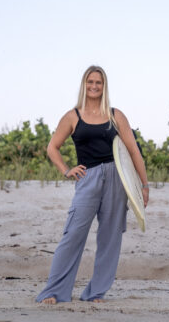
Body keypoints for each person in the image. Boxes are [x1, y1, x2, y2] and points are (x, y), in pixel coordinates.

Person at [36, 65, 149, 304]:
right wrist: (67, 170)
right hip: (88, 178)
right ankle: (54, 292)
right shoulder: (72, 116)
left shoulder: (116, 115)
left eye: (98, 82)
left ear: (104, 86)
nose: (94, 86)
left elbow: (133, 150)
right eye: (90, 82)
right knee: (73, 234)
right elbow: (51, 147)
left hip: (117, 179)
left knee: (110, 237)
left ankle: (95, 293)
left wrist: (144, 185)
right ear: (84, 85)